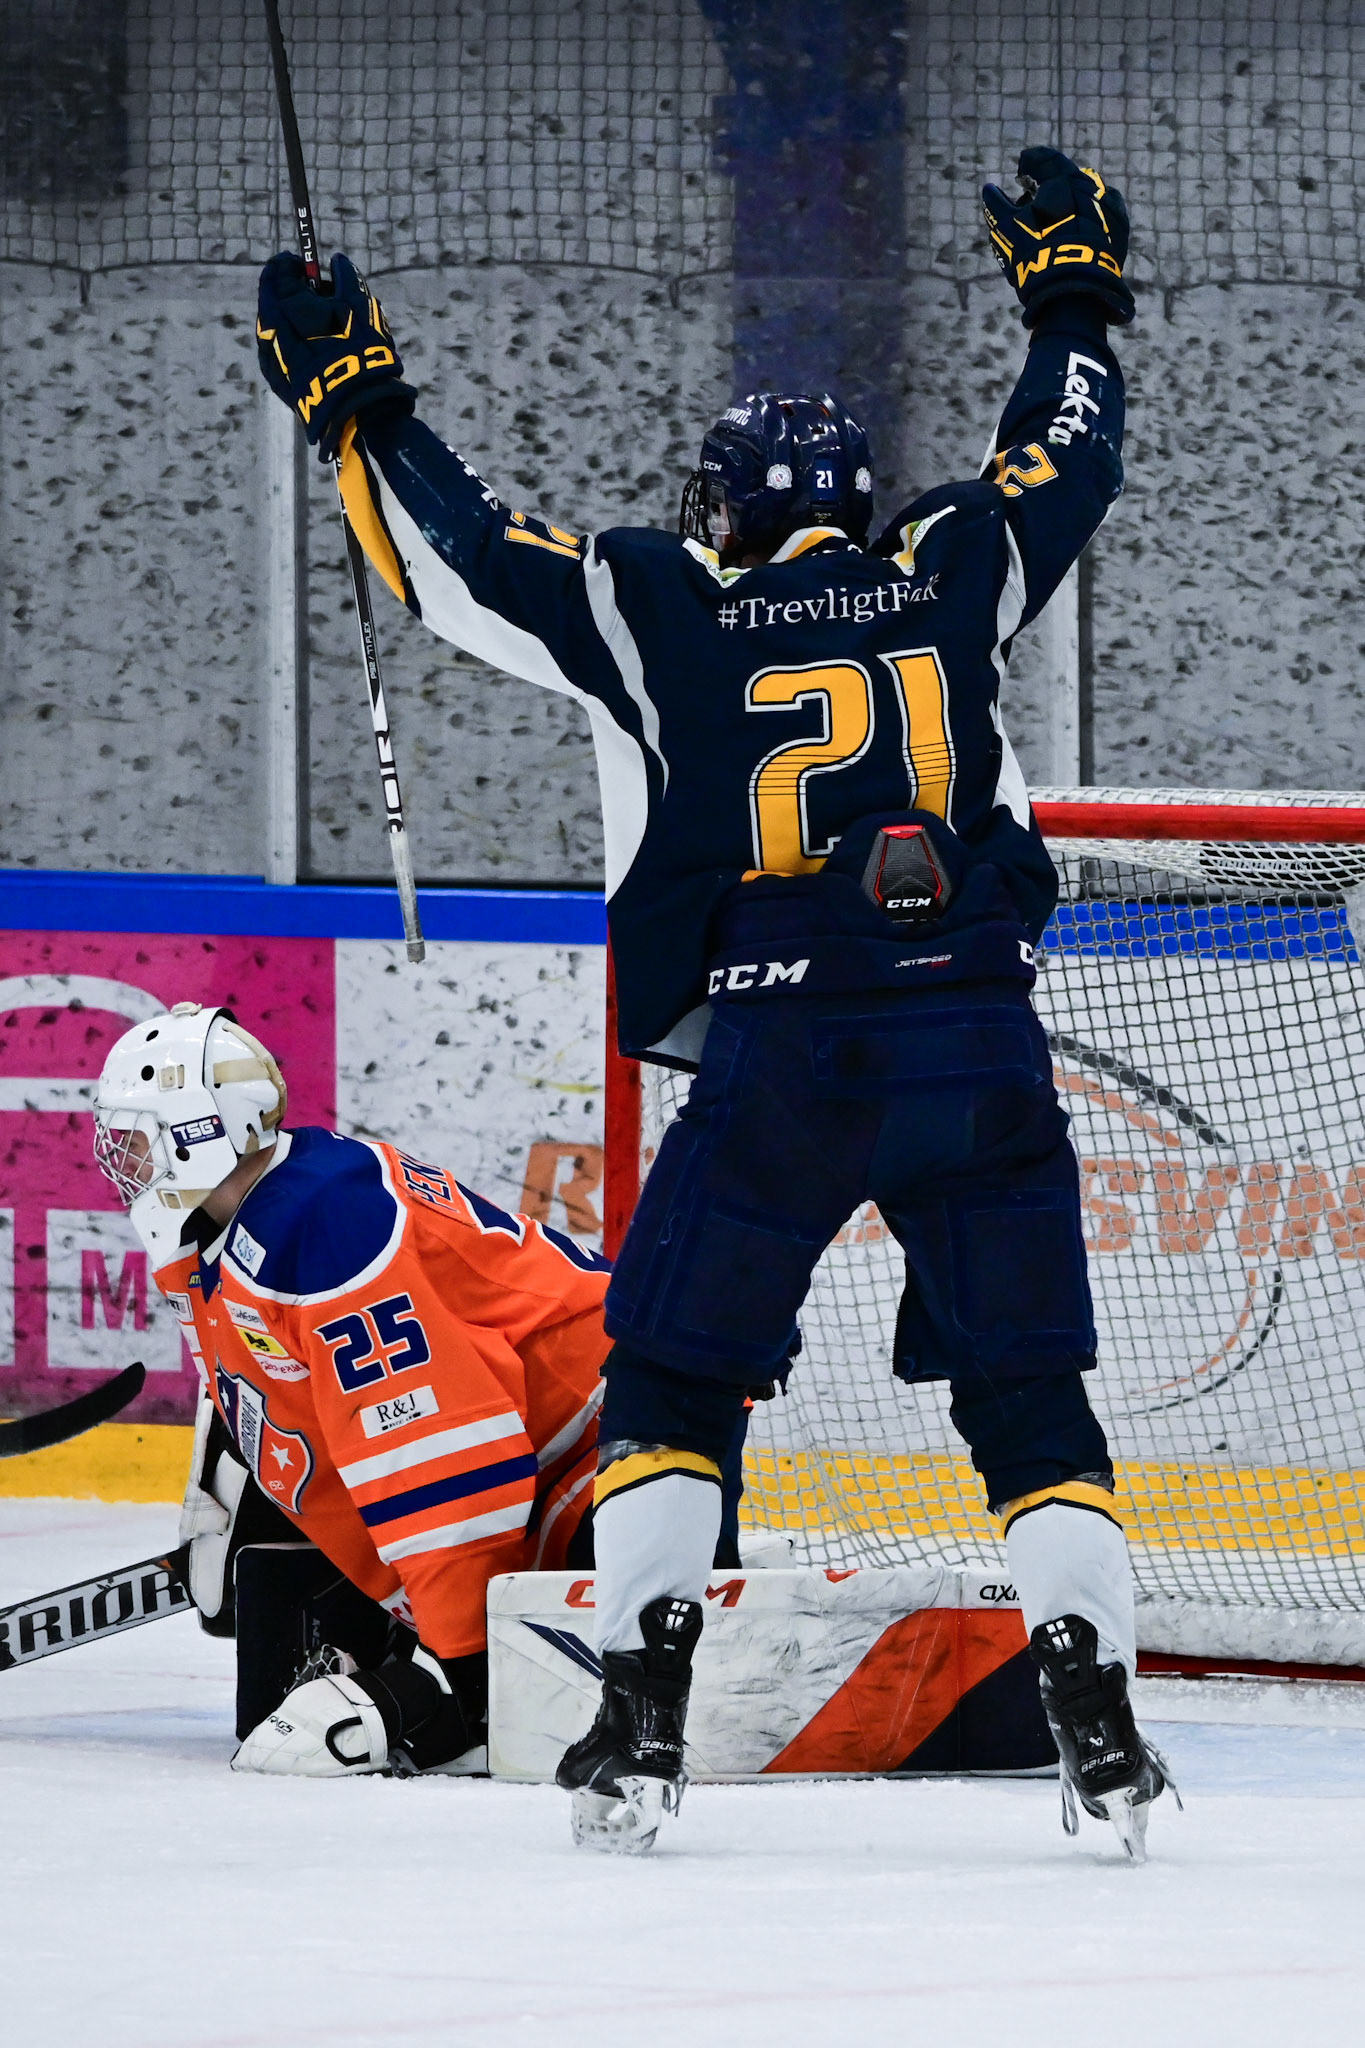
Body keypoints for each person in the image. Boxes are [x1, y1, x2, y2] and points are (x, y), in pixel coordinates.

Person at [253, 147, 1173, 1855]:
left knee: (673, 1385)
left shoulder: (655, 601)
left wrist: (355, 403)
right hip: (976, 1040)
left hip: (779, 1052)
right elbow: (1074, 454)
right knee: (1031, 1403)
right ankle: (1098, 1709)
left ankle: (642, 1714)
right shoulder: (958, 562)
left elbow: (456, 560)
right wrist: (1071, 302)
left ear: (725, 511)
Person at [93, 1000, 615, 1776]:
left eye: (136, 1138)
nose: (120, 1161)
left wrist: (456, 1674)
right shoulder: (234, 1225)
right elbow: (291, 1393)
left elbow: (441, 1453)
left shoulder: (327, 1227)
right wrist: (228, 1493)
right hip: (543, 1461)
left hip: (603, 1455)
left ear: (201, 1133)